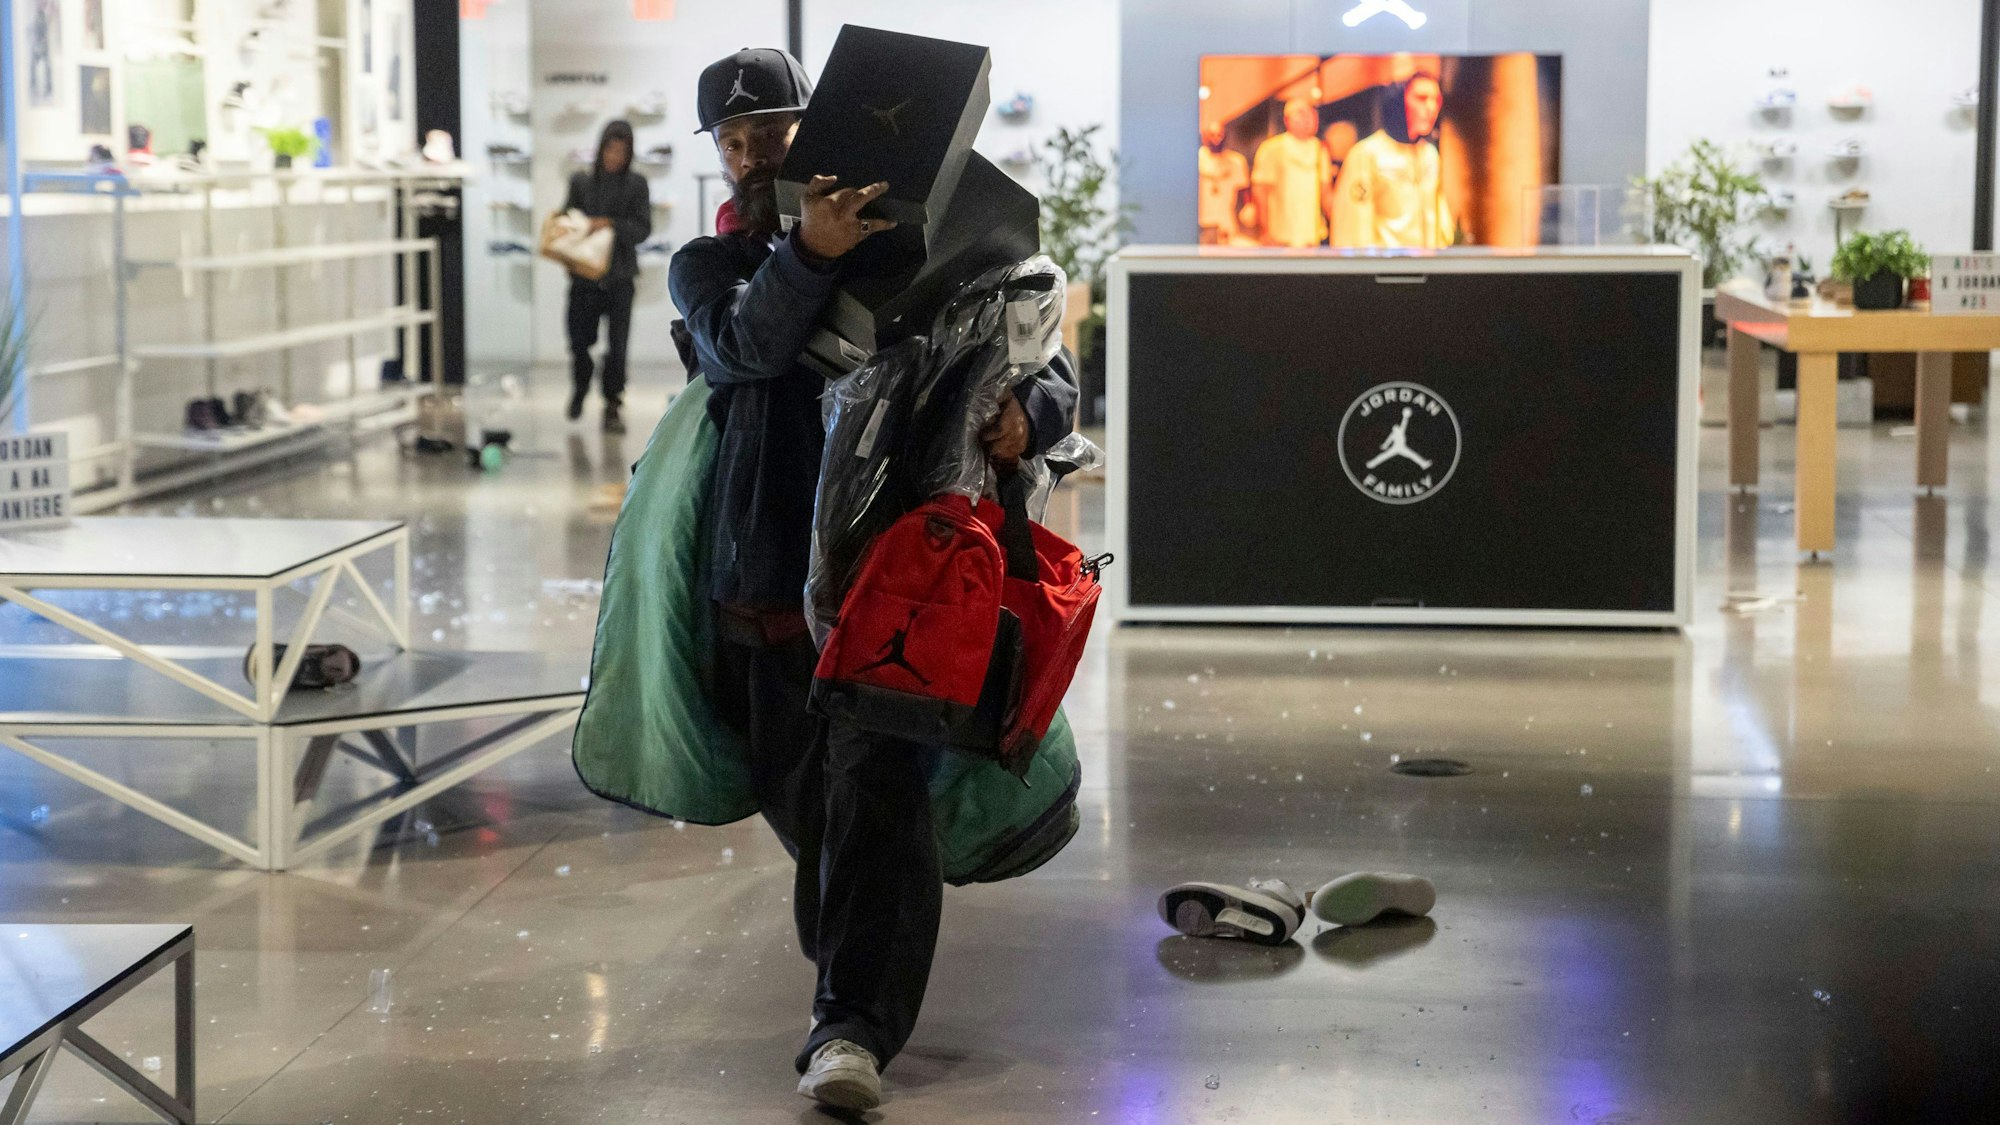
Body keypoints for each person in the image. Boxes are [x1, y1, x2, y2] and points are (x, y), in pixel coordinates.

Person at [668, 48, 1079, 1112]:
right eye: (737, 138)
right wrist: (807, 252)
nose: (759, 151)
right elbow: (743, 350)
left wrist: (1025, 416)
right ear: (719, 154)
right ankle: (845, 981)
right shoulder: (708, 268)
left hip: (901, 585)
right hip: (761, 590)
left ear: (822, 130)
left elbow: (1046, 360)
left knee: (877, 799)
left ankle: (850, 1025)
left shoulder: (932, 244)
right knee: (816, 816)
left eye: (778, 129)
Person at [563, 120, 651, 434]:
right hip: (584, 276)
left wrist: (610, 224)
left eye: (622, 151)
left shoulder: (637, 184)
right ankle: (581, 385)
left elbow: (643, 228)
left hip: (620, 276)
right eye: (610, 149)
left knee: (618, 344)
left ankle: (613, 401)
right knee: (579, 340)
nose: (615, 157)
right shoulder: (581, 182)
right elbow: (566, 221)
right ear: (601, 149)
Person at [1332, 72, 1456, 249]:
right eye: (1421, 98)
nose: (1431, 107)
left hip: (1425, 269)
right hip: (1385, 269)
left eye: (1436, 100)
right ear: (1399, 100)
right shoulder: (1367, 154)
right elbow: (1353, 228)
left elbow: (1439, 220)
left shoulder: (1429, 155)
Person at [1250, 98, 1334, 248]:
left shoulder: (1319, 150)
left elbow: (1326, 193)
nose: (1308, 118)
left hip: (1311, 237)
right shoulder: (1272, 148)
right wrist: (1265, 230)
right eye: (1301, 114)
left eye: (1312, 114)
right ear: (1287, 120)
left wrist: (1338, 224)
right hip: (1280, 237)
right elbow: (1260, 191)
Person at [1196, 121, 1250, 246]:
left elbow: (1243, 188)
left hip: (1225, 221)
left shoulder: (1236, 161)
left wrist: (1248, 207)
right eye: (1212, 135)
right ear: (1205, 137)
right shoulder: (1196, 157)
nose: (1216, 139)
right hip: (1201, 221)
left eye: (1219, 135)